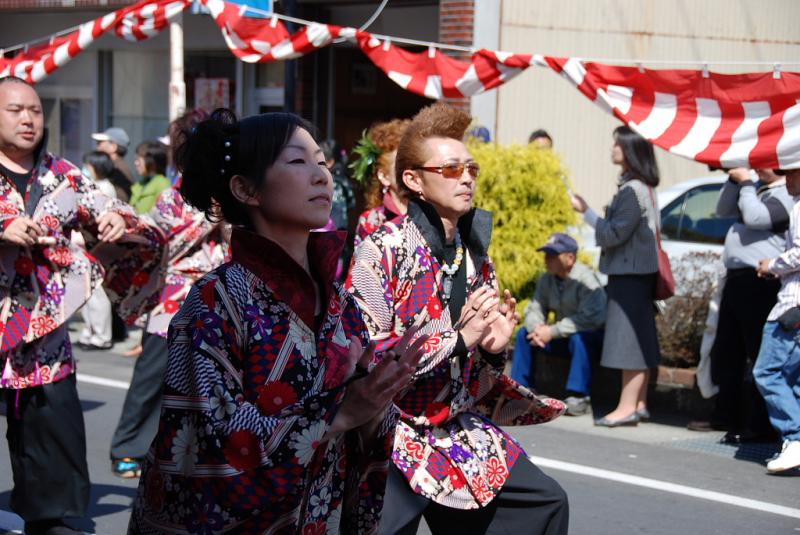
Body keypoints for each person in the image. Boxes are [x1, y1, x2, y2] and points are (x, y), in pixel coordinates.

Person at [128, 109, 427, 533]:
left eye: (322, 162)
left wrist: (378, 400)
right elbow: (211, 441)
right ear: (245, 188)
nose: (321, 175)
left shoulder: (342, 303)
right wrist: (339, 415)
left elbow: (362, 428)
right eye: (298, 161)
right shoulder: (214, 301)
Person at [348, 102, 568, 535]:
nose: (466, 177)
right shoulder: (379, 249)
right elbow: (369, 360)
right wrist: (459, 338)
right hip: (391, 431)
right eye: (450, 169)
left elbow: (477, 381)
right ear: (413, 180)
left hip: (456, 428)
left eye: (471, 168)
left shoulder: (475, 256)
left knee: (544, 504)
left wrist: (493, 348)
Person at [0, 76, 162, 535]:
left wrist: (116, 219)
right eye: (15, 110)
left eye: (34, 110)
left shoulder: (63, 175)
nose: (29, 118)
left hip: (45, 335)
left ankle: (50, 519)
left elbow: (131, 220)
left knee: (52, 440)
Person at [109, 110, 229, 479]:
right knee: (152, 377)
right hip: (176, 297)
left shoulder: (236, 191)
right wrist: (210, 219)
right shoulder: (175, 197)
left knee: (211, 385)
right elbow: (160, 237)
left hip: (222, 298)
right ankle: (126, 446)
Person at [571, 125, 661, 427]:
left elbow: (613, 235)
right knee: (640, 339)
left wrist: (588, 214)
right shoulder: (643, 187)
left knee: (628, 342)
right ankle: (638, 402)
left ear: (631, 151)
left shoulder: (631, 191)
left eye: (618, 145)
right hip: (639, 276)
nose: (613, 149)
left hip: (629, 277)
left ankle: (626, 408)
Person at [700, 167, 794, 443]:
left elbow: (756, 217)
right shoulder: (756, 189)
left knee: (758, 353)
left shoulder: (785, 194)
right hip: (737, 279)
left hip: (761, 282)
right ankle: (725, 416)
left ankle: (759, 425)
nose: (755, 165)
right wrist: (734, 180)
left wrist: (746, 182)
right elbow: (722, 209)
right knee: (728, 352)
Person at [511, 232, 606, 416]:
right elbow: (535, 308)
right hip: (562, 336)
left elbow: (591, 318)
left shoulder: (586, 280)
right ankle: (520, 390)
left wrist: (552, 331)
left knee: (581, 339)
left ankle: (578, 396)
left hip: (591, 337)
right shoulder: (547, 279)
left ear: (570, 258)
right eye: (547, 254)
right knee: (524, 334)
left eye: (553, 255)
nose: (547, 259)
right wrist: (537, 329)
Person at [753, 167, 800, 473]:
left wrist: (772, 264)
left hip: (791, 305)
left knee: (766, 372)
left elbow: (798, 254)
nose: (787, 179)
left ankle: (794, 439)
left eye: (792, 172)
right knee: (794, 380)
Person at [76, 151, 118, 351]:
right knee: (86, 293)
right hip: (86, 246)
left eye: (88, 165)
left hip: (97, 247)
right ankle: (90, 331)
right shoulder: (94, 186)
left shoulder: (105, 188)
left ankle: (101, 336)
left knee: (97, 294)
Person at [351, 118, 411, 249]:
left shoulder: (433, 213)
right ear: (383, 176)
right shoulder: (371, 222)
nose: (411, 171)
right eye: (402, 165)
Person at [92, 126, 134, 202]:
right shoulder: (113, 166)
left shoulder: (118, 169)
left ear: (113, 147)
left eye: (100, 143)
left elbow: (122, 200)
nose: (97, 147)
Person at [130, 141, 170, 214]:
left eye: (139, 160)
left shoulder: (162, 183)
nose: (136, 163)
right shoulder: (141, 183)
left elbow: (165, 213)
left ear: (152, 161)